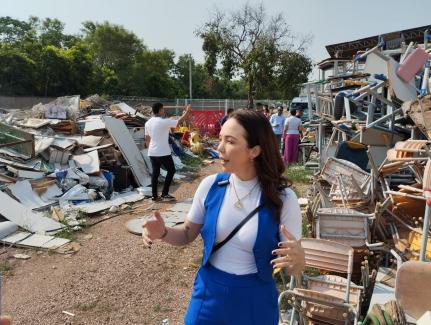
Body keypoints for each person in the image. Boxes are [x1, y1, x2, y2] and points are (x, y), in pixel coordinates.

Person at [142, 109, 304, 325]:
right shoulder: (211, 186)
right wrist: (162, 232)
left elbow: (292, 265)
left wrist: (299, 261)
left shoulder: (283, 198)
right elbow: (187, 234)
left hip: (255, 301)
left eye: (230, 141)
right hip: (209, 294)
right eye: (220, 139)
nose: (219, 148)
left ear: (254, 150)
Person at [145, 102, 192, 201]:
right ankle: (165, 193)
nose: (164, 111)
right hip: (163, 152)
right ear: (160, 110)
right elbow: (179, 121)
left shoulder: (147, 123)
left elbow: (147, 139)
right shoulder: (163, 121)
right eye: (163, 109)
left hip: (152, 152)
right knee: (171, 170)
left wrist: (151, 149)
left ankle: (154, 196)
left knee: (155, 173)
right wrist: (187, 111)